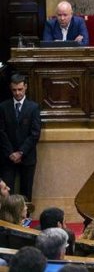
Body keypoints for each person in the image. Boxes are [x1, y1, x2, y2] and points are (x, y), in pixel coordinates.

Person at [0, 73, 42, 201]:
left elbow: (35, 133)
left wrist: (21, 152)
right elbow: (1, 132)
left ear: (25, 87)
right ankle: (8, 220)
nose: (17, 93)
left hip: (27, 156)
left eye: (20, 89)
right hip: (7, 157)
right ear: (10, 88)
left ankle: (26, 219)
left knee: (26, 192)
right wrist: (11, 153)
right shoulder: (3, 107)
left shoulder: (33, 107)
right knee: (6, 191)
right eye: (14, 90)